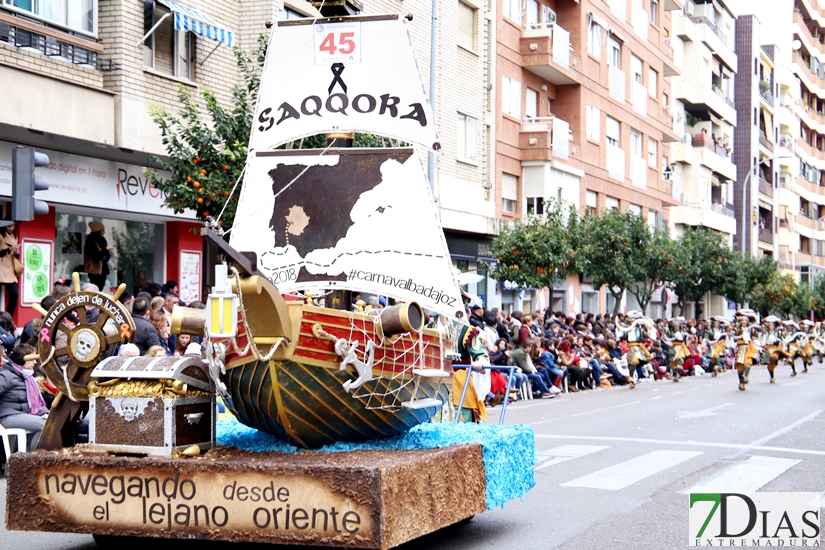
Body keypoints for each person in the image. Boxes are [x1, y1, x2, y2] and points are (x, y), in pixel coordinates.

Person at [0, 344, 48, 451]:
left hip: (21, 414)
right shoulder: (7, 375)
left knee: (52, 422)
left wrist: (46, 413)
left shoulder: (27, 377)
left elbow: (38, 404)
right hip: (8, 416)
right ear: (21, 360)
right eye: (32, 359)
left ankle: (29, 456)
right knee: (45, 425)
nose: (35, 362)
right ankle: (30, 460)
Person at [83, 221, 113, 291]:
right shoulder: (90, 241)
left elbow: (106, 255)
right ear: (98, 231)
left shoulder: (102, 240)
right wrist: (106, 249)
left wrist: (106, 256)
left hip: (103, 269)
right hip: (94, 270)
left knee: (101, 288)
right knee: (95, 289)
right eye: (102, 230)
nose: (104, 232)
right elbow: (96, 256)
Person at [0, 219, 19, 316]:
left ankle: (8, 317)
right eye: (9, 226)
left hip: (10, 268)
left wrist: (16, 253)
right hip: (1, 268)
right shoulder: (0, 235)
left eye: (13, 226)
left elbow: (15, 255)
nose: (11, 228)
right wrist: (8, 250)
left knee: (14, 294)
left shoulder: (15, 236)